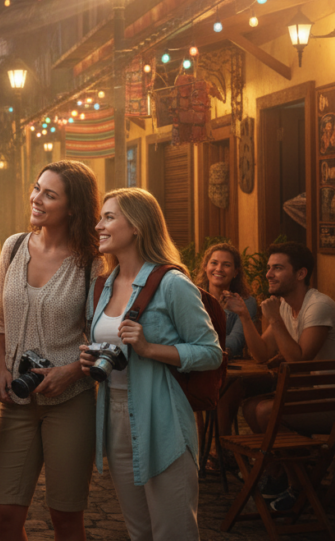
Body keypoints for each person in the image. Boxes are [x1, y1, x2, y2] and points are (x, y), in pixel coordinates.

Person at [81, 188, 223, 541]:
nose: (99, 225)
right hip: (113, 417)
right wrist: (91, 355)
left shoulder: (173, 284)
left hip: (163, 417)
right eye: (101, 217)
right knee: (139, 531)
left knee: (173, 532)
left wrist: (150, 348)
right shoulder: (104, 286)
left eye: (109, 217)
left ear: (138, 227)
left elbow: (211, 352)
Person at [0, 161, 102, 541]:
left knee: (65, 517)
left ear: (73, 207)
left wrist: (72, 371)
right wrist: (1, 368)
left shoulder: (93, 262)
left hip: (71, 400)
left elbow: (100, 336)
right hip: (17, 401)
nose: (36, 198)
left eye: (49, 194)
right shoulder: (14, 246)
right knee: (4, 514)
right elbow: (0, 317)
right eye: (37, 188)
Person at [237, 242, 335, 510]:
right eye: (269, 268)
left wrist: (275, 321)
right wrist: (246, 317)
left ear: (301, 273)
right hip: (307, 397)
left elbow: (299, 361)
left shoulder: (319, 305)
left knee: (267, 412)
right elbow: (261, 354)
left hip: (329, 400)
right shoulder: (282, 307)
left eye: (278, 268)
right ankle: (292, 475)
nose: (269, 274)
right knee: (249, 408)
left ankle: (297, 486)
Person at [193, 243, 259, 440]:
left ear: (236, 272)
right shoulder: (192, 297)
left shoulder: (246, 302)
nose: (219, 269)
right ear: (205, 267)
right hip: (194, 365)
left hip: (230, 369)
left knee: (224, 388)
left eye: (226, 265)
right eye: (214, 263)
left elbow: (236, 341)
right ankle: (202, 449)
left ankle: (220, 449)